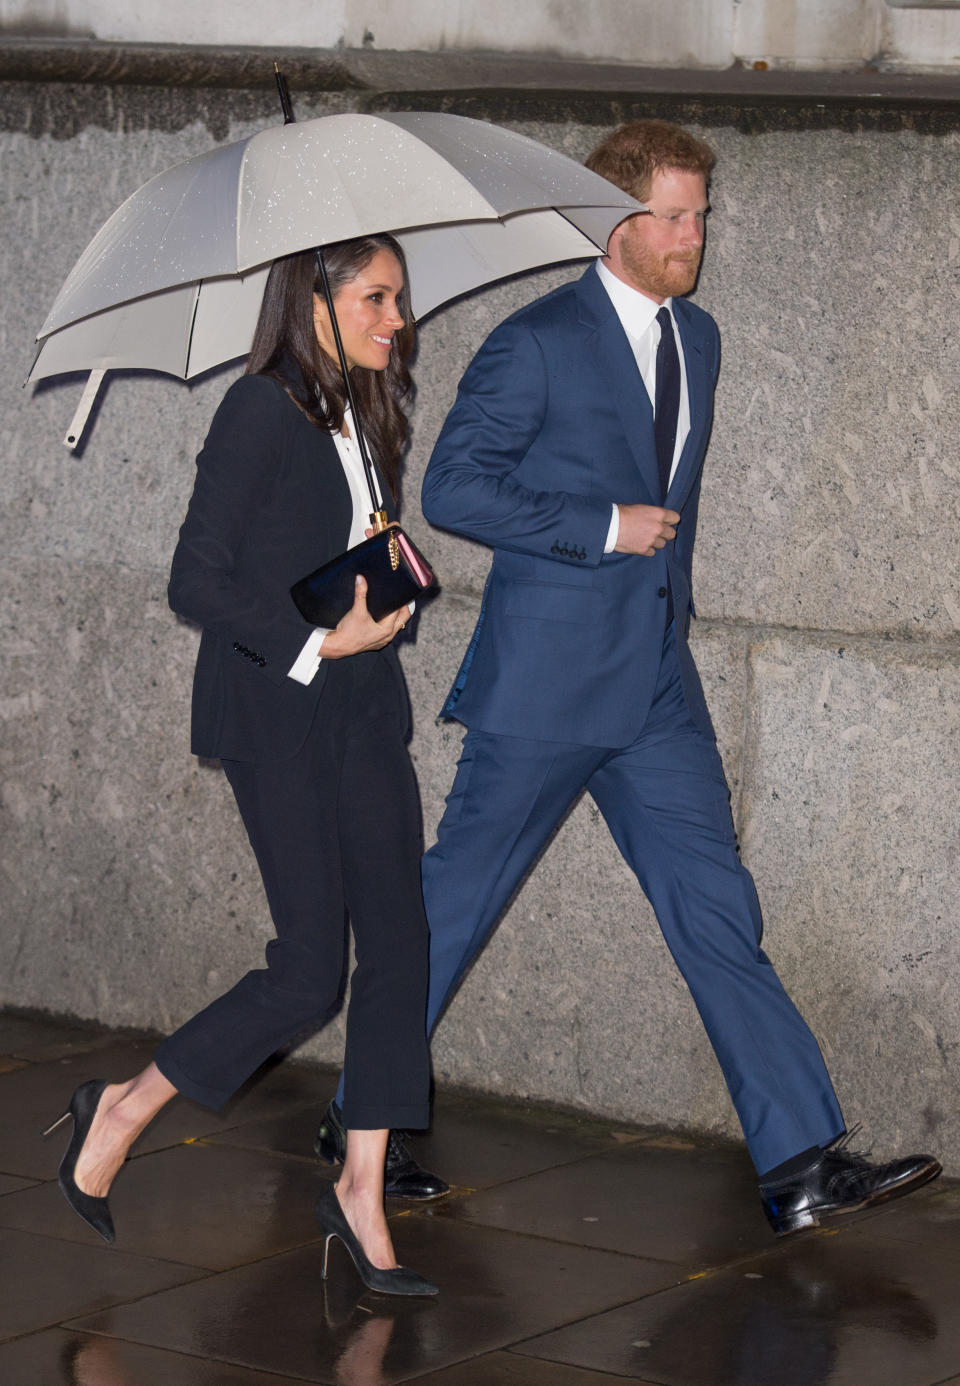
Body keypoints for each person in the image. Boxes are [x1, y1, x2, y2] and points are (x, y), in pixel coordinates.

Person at [318, 121, 939, 1235]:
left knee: (715, 908)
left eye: (701, 213)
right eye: (674, 214)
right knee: (454, 904)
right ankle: (359, 1115)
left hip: (654, 682)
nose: (693, 234)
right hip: (549, 682)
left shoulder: (699, 338)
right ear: (618, 220)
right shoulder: (539, 342)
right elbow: (458, 487)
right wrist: (601, 526)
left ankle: (798, 1159)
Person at [44, 235, 438, 1296]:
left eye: (400, 298)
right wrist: (316, 643)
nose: (398, 317)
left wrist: (382, 599)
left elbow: (343, 549)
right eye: (378, 297)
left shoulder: (369, 410)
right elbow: (194, 584)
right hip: (277, 714)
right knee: (310, 968)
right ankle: (124, 1106)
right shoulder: (259, 410)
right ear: (315, 297)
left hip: (366, 712)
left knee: (401, 940)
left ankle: (362, 1190)